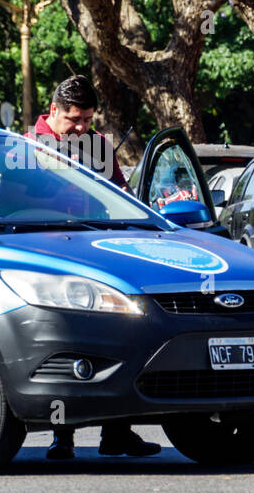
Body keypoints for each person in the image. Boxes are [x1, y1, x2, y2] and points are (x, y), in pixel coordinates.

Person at [29, 75, 159, 460]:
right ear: (53, 111)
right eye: (74, 119)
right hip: (47, 254)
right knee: (66, 341)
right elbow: (14, 200)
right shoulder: (25, 147)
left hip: (99, 253)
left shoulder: (99, 145)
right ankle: (61, 438)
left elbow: (120, 193)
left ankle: (117, 433)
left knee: (120, 336)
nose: (82, 127)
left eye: (88, 119)